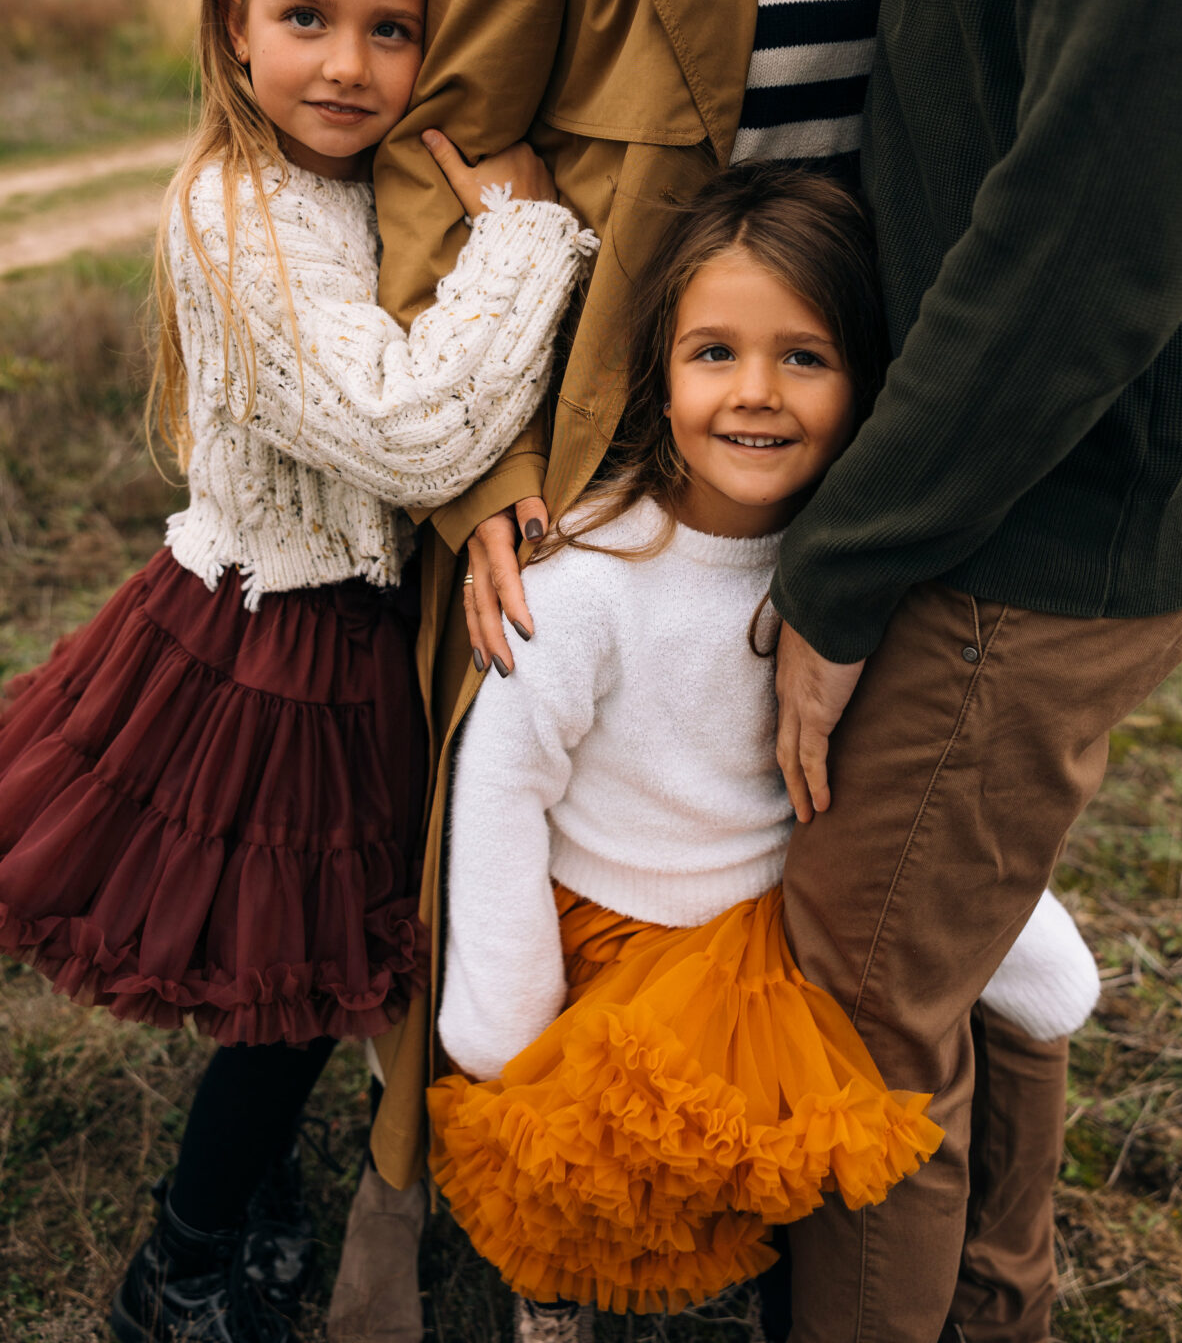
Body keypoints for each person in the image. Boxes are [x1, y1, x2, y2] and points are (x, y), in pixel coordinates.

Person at [366, 0, 953, 1212]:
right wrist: (480, 478)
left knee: (791, 829)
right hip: (609, 436)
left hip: (849, 424)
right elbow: (444, 137)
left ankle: (781, 1192)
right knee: (543, 849)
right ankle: (466, 1209)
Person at [0, 0, 595, 1343]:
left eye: (393, 30)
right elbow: (409, 427)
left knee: (311, 978)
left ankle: (246, 1204)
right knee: (295, 994)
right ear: (233, 23)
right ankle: (176, 1270)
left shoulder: (340, 190)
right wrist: (527, 239)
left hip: (333, 628)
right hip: (271, 642)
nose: (348, 65)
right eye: (308, 20)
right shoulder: (235, 211)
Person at [427, 166, 1102, 1343]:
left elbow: (916, 776)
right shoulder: (592, 581)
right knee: (582, 1179)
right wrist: (506, 1024)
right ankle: (554, 1304)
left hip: (770, 936)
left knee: (768, 1171)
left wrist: (1018, 920)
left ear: (868, 381)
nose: (755, 395)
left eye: (805, 357)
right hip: (609, 944)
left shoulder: (859, 583)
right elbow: (503, 788)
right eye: (713, 354)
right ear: (660, 368)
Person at [760, 0, 1182, 1337]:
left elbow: (1113, 185)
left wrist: (851, 560)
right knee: (931, 984)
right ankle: (998, 1304)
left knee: (859, 1024)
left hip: (1017, 516)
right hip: (1046, 485)